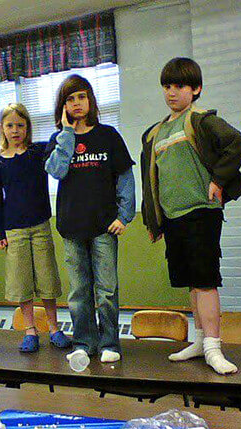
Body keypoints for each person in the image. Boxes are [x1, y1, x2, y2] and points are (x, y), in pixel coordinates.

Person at [141, 57, 241, 375]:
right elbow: (151, 181)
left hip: (201, 212)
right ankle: (200, 340)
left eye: (179, 86)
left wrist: (218, 180)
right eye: (167, 86)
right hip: (173, 217)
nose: (172, 92)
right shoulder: (155, 133)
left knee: (205, 281)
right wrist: (154, 220)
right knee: (191, 281)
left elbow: (238, 143)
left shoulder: (201, 119)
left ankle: (214, 346)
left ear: (196, 89)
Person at [45, 75, 135, 365]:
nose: (77, 103)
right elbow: (56, 171)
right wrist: (68, 135)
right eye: (70, 99)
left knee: (107, 289)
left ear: (90, 100)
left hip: (104, 226)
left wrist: (125, 215)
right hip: (72, 227)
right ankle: (83, 342)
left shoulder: (108, 135)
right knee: (79, 291)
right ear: (63, 106)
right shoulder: (58, 139)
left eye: (81, 97)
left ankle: (110, 343)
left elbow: (125, 178)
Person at [0, 103, 70, 352]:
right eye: (10, 125)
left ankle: (54, 327)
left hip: (40, 225)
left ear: (28, 128)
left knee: (47, 278)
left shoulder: (38, 152)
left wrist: (66, 124)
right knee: (22, 281)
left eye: (20, 125)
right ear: (2, 128)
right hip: (14, 229)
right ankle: (30, 330)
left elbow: (58, 141)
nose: (15, 130)